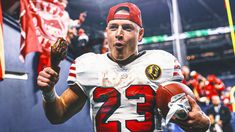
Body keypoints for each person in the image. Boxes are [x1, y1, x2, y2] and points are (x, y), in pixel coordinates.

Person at [37, 2, 210, 132]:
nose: (119, 33)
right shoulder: (88, 65)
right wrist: (49, 92)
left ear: (140, 34)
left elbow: (191, 118)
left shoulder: (163, 62)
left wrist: (202, 121)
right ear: (107, 32)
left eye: (127, 28)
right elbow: (58, 116)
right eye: (113, 27)